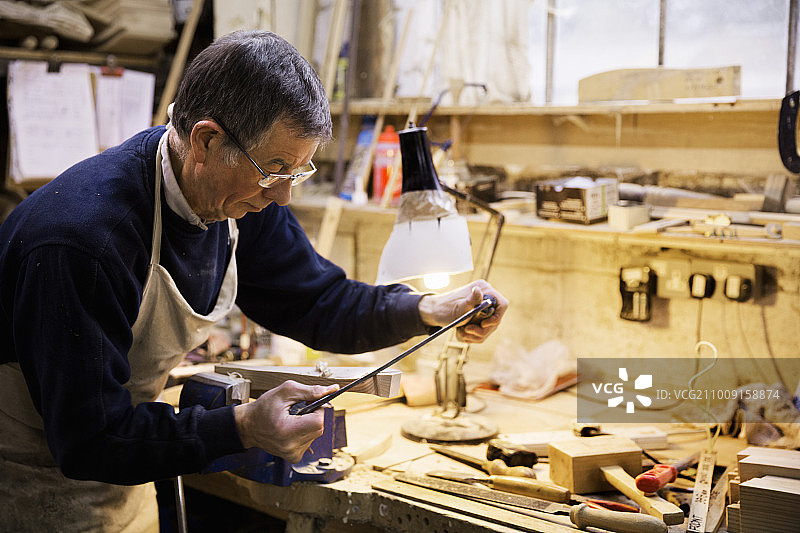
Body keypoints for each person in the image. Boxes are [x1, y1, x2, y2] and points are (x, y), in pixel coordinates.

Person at [0, 30, 508, 531]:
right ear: (205, 141)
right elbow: (90, 440)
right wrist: (241, 426)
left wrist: (426, 310)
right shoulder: (85, 243)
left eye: (298, 172)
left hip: (125, 469)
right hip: (32, 482)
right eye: (276, 169)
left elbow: (315, 301)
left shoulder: (241, 194)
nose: (283, 196)